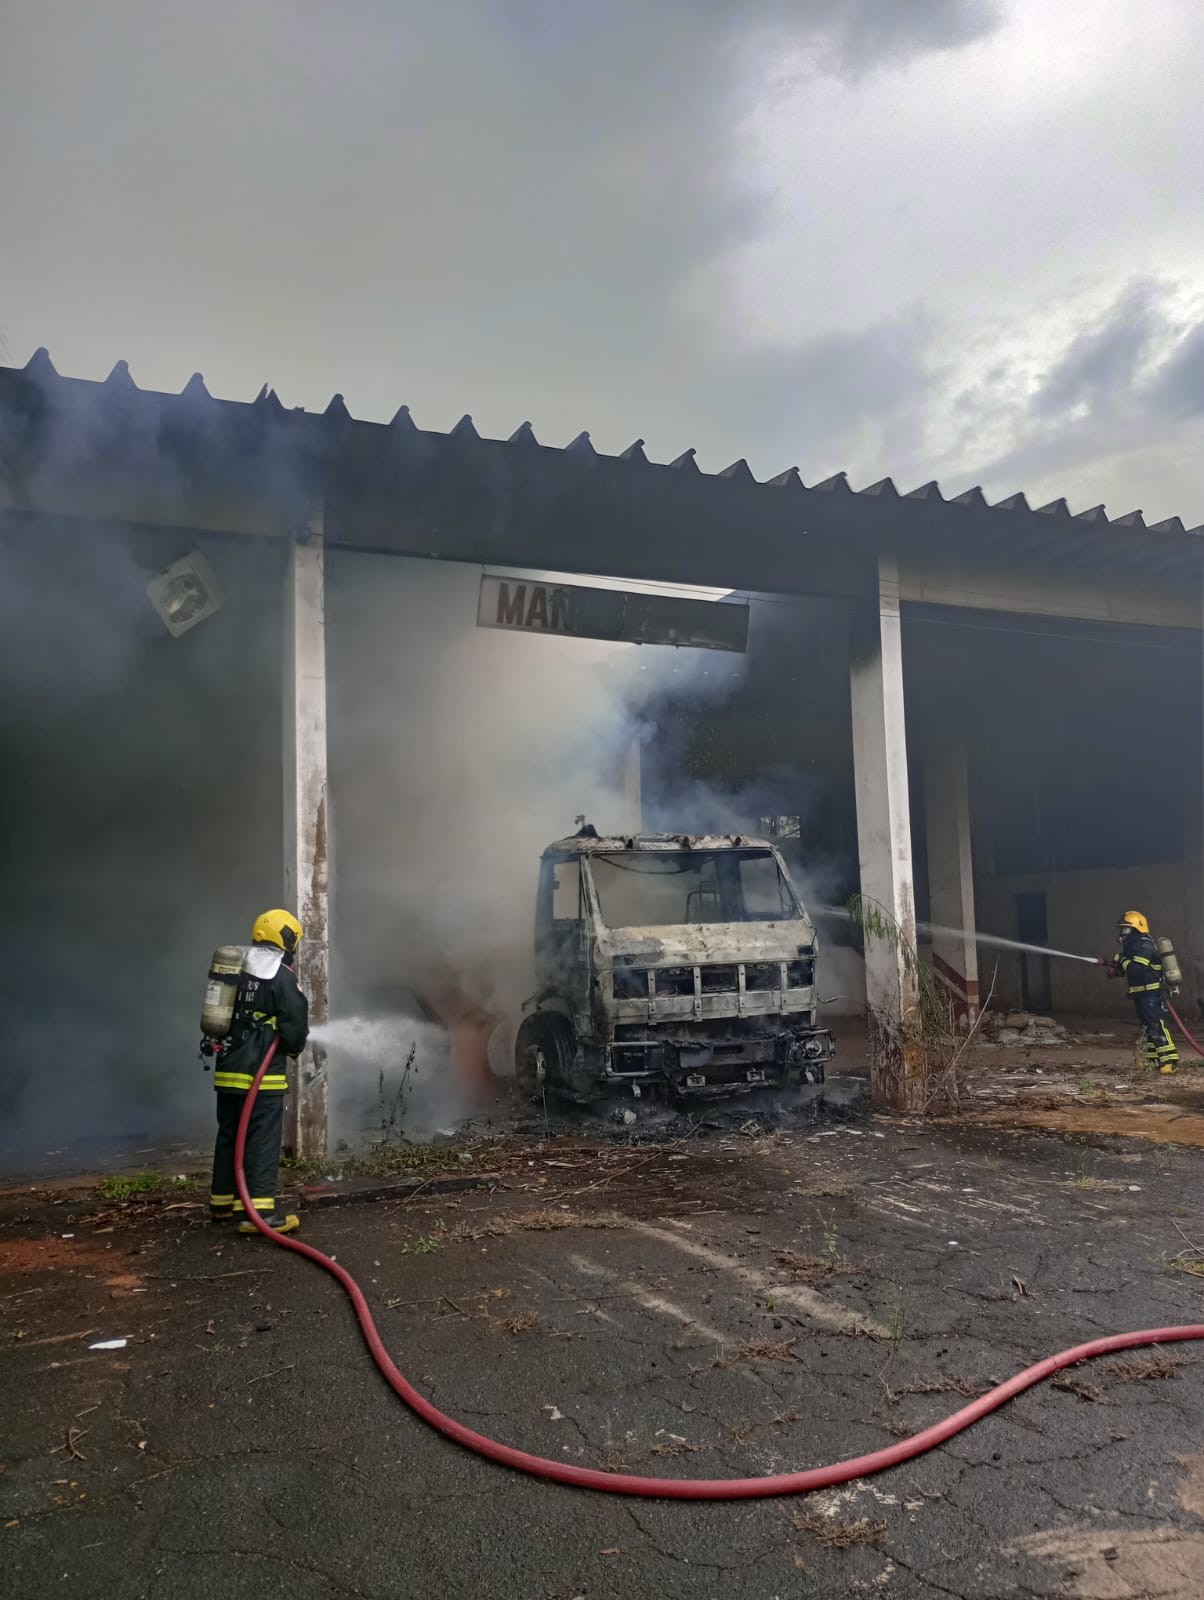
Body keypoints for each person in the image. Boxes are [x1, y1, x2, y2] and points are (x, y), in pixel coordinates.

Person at [207, 909, 310, 1233]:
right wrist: (293, 1048)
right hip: (261, 1078)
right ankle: (261, 1213)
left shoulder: (235, 969)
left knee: (229, 1135)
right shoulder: (280, 976)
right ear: (287, 939)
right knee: (261, 1139)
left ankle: (223, 1203)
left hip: (228, 1073)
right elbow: (295, 1024)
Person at [1105, 910, 1177, 1074]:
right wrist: (1114, 968)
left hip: (1151, 993)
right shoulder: (1132, 947)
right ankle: (1154, 1060)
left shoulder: (1144, 945)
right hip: (1141, 993)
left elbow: (1137, 969)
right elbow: (1127, 969)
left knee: (1156, 1025)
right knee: (1147, 1027)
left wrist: (1121, 960)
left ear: (1136, 929)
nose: (1122, 933)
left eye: (1126, 929)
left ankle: (1170, 1061)